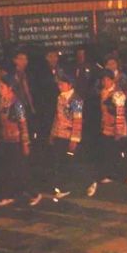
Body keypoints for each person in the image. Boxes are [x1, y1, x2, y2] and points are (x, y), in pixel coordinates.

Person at [87, 70, 127, 197]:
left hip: (117, 128)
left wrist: (118, 131)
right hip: (106, 127)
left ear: (113, 80)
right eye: (103, 80)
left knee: (119, 151)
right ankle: (108, 174)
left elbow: (120, 114)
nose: (105, 82)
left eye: (107, 80)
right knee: (107, 151)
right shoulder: (103, 92)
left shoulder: (118, 94)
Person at [37, 71, 83, 205]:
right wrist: (53, 133)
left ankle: (70, 186)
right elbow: (57, 118)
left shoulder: (76, 100)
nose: (60, 86)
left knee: (67, 162)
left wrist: (74, 140)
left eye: (62, 83)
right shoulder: (60, 98)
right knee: (58, 162)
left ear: (69, 84)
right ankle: (60, 186)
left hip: (68, 136)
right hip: (59, 134)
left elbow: (78, 121)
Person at [0, 76, 31, 207]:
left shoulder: (17, 104)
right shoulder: (0, 102)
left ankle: (30, 193)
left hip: (16, 141)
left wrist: (25, 143)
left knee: (18, 169)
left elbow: (23, 124)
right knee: (6, 169)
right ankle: (8, 195)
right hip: (4, 140)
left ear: (10, 88)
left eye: (2, 87)